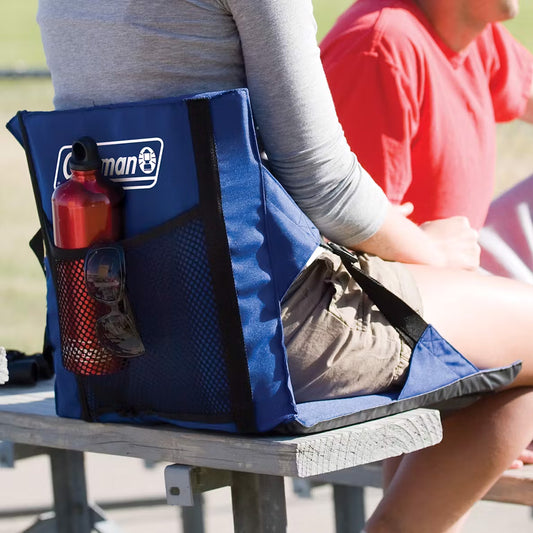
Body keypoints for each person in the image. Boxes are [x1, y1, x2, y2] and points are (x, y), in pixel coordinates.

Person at [36, 1, 533, 531]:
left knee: (488, 352)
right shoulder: (377, 37)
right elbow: (324, 185)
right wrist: (436, 253)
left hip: (118, 347)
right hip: (258, 342)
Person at [320, 0, 533, 230]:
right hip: (412, 255)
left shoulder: (476, 31)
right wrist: (436, 250)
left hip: (457, 251)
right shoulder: (380, 50)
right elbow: (356, 236)